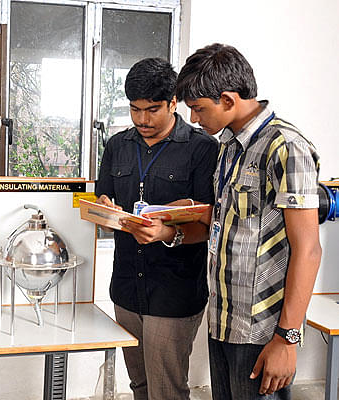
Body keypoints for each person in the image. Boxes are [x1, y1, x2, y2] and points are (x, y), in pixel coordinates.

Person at [176, 43, 322, 399]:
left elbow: (309, 250)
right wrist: (178, 219)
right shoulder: (228, 146)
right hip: (224, 322)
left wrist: (286, 339)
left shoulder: (286, 147)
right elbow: (232, 224)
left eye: (198, 108)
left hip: (263, 332)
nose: (193, 119)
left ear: (228, 100)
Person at [95, 58, 218, 400]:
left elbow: (211, 223)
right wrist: (104, 209)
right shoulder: (117, 146)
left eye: (152, 110)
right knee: (140, 386)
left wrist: (167, 233)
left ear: (173, 102)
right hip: (126, 289)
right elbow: (104, 199)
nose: (142, 120)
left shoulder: (202, 148)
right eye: (135, 109)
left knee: (166, 391)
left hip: (174, 294)